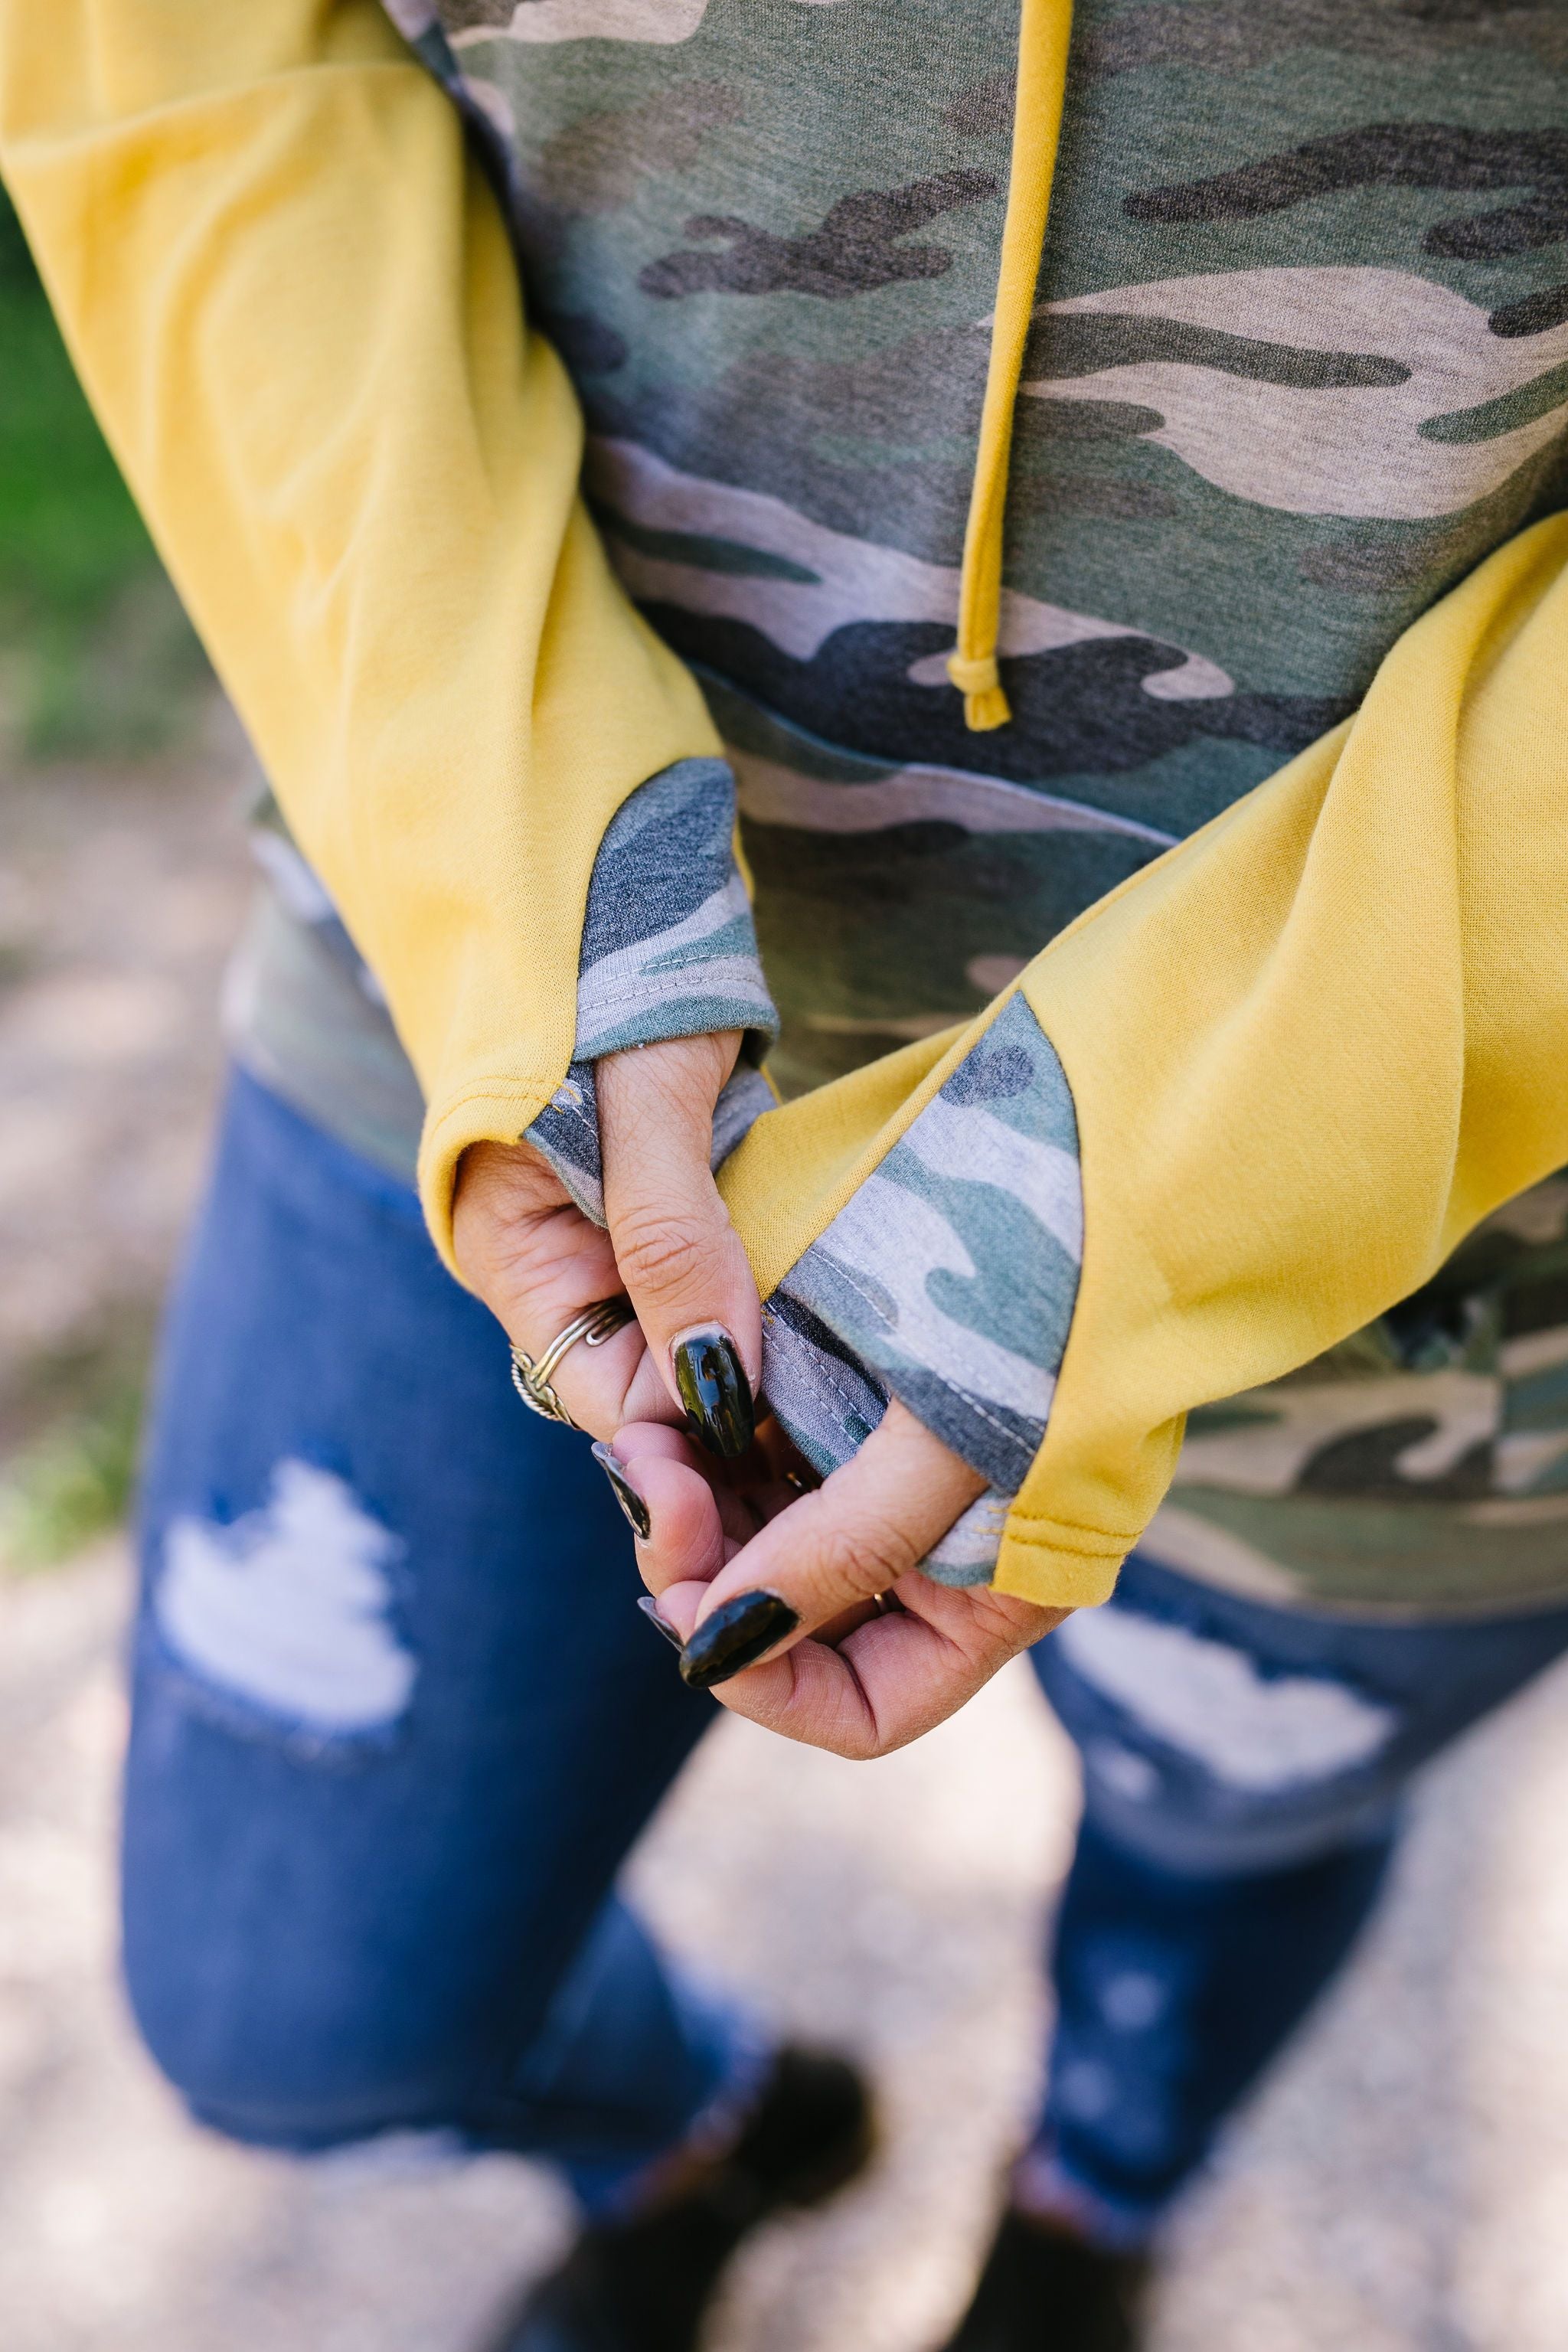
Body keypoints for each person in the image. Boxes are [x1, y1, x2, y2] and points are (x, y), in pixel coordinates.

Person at [5, 2, 1568, 2344]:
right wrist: (539, 918)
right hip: (484, 1028)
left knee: (1217, 1837)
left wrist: (1144, 1189)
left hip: (1444, 1207)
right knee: (302, 2008)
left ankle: (1090, 2211)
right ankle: (713, 2133)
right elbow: (177, 60)